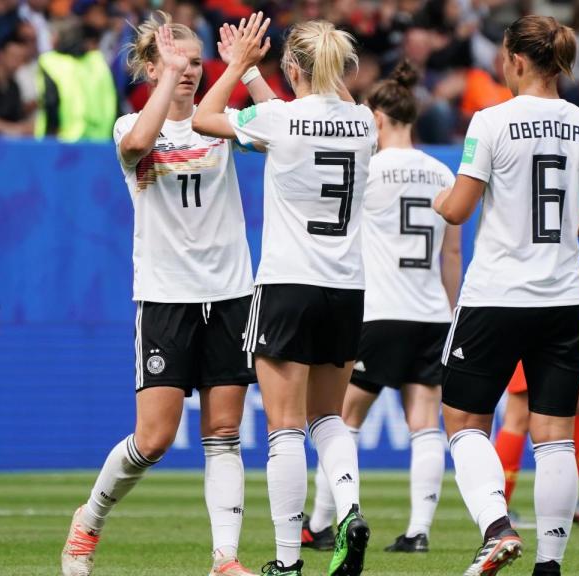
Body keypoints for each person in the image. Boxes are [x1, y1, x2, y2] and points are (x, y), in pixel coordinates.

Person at [59, 13, 274, 576]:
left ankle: (225, 559)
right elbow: (136, 146)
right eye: (176, 63)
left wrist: (245, 71)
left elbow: (281, 126)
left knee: (224, 432)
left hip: (230, 292)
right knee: (154, 438)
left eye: (196, 63)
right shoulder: (131, 124)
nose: (188, 72)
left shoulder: (222, 121)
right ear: (152, 68)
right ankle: (89, 519)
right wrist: (169, 82)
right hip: (165, 295)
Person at [433, 15, 579, 576]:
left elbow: (460, 208)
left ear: (516, 60)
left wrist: (444, 198)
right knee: (554, 436)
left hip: (497, 295)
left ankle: (496, 529)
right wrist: (569, 221)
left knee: (464, 422)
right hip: (563, 301)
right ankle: (549, 566)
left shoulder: (491, 121)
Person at [194, 14, 377, 576]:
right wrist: (289, 73)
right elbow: (317, 107)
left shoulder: (278, 119)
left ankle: (287, 561)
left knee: (285, 428)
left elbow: (204, 119)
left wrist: (239, 65)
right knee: (330, 420)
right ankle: (348, 511)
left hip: (288, 284)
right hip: (346, 287)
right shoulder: (364, 122)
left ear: (291, 68)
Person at [301, 60, 462, 555]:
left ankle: (322, 523)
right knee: (425, 424)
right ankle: (418, 531)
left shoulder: (368, 170)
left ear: (378, 119)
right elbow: (451, 254)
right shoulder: (443, 172)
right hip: (431, 311)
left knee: (340, 417)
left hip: (379, 309)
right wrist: (453, 315)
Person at [495, 289, 579, 531]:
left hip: (557, 315)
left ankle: (566, 500)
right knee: (518, 416)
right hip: (529, 309)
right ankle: (497, 509)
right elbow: (543, 260)